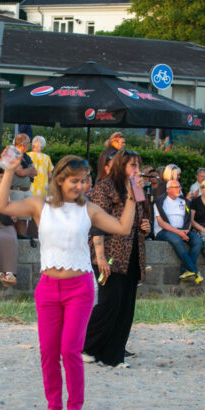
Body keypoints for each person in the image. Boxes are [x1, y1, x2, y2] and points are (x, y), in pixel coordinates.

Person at [0, 154, 137, 410]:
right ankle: (52, 405)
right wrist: (10, 172)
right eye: (75, 181)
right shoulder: (40, 205)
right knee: (48, 350)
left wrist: (132, 197)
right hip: (47, 288)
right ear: (59, 180)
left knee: (70, 349)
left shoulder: (89, 209)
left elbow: (123, 226)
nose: (80, 186)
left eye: (84, 181)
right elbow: (2, 206)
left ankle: (74, 407)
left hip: (79, 288)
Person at [82, 150, 150, 368]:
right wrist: (100, 256)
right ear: (122, 166)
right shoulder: (105, 187)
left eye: (138, 165)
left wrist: (144, 227)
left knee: (126, 306)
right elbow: (97, 222)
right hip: (110, 254)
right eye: (133, 166)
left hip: (131, 254)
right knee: (110, 301)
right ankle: (86, 345)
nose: (137, 171)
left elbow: (137, 218)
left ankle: (113, 355)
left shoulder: (135, 189)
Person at [154, 180, 204, 283]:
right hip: (164, 231)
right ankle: (193, 270)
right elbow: (161, 223)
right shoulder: (159, 202)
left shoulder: (184, 201)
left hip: (183, 230)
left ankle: (185, 270)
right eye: (176, 187)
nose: (179, 189)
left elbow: (189, 217)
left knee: (198, 241)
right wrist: (179, 233)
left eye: (179, 187)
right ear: (168, 190)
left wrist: (186, 230)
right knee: (177, 240)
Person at [9, 133, 37, 238]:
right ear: (22, 143)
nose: (29, 145)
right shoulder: (12, 154)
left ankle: (23, 242)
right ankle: (12, 240)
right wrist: (28, 170)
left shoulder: (27, 157)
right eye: (28, 143)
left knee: (24, 219)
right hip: (16, 191)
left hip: (26, 191)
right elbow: (20, 172)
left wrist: (27, 170)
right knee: (13, 219)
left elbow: (35, 172)